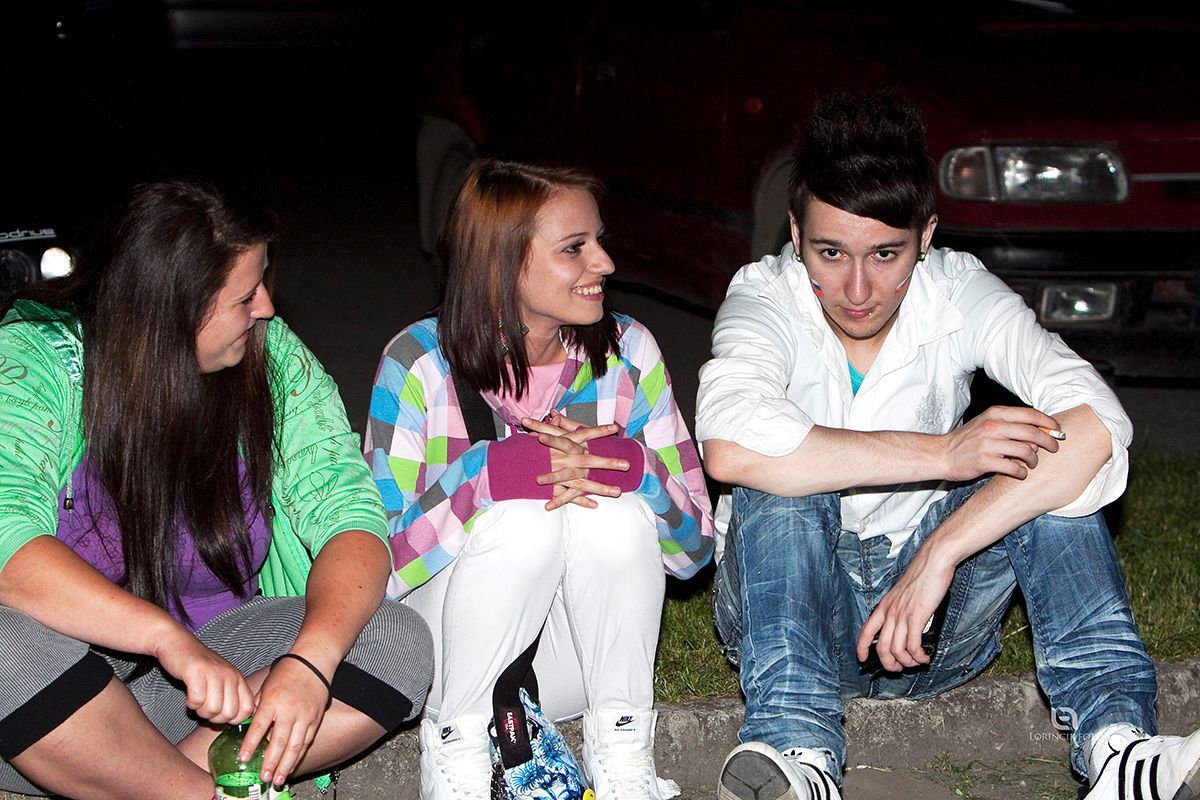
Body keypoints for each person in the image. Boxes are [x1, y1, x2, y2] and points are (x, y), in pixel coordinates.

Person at [695, 89, 1200, 800]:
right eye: (830, 253)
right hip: (785, 617)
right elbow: (729, 447)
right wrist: (945, 454)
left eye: (886, 254)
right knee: (778, 481)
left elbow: (1099, 421)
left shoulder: (956, 289)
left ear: (926, 237)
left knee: (1045, 462)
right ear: (796, 232)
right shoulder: (764, 295)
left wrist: (941, 551)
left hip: (937, 628)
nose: (858, 288)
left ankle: (1118, 749)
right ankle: (796, 753)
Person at [0, 181, 434, 799]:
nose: (268, 308)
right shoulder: (37, 356)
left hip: (213, 691)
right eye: (245, 295)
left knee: (394, 640)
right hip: (57, 702)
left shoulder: (269, 357)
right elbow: (8, 541)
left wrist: (308, 664)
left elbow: (350, 516)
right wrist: (163, 638)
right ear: (173, 308)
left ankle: (150, 785)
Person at [365, 158, 714, 800]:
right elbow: (376, 573)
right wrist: (486, 476)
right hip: (447, 658)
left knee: (614, 510)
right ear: (503, 263)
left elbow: (695, 556)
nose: (605, 262)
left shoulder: (628, 354)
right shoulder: (418, 364)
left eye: (599, 240)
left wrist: (637, 471)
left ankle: (622, 758)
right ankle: (458, 763)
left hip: (572, 660)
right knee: (520, 516)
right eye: (574, 248)